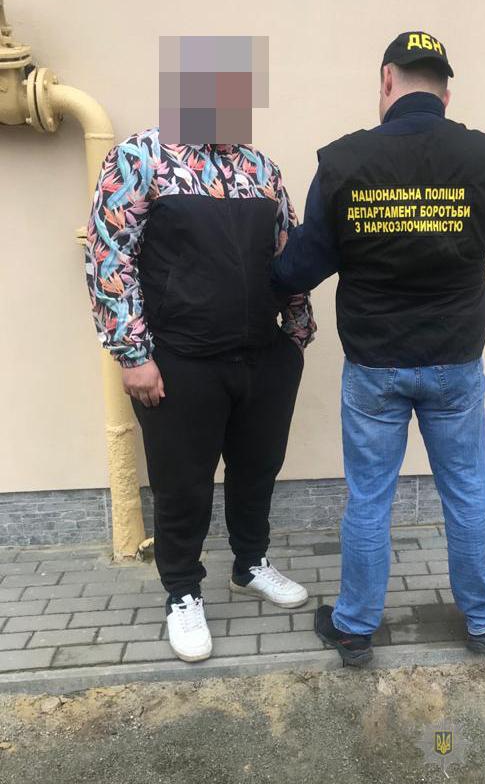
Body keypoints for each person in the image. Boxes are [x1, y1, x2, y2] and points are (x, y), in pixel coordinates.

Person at [273, 31, 485, 666]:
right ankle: (484, 616)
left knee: (370, 498)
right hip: (455, 361)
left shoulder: (344, 160)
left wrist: (264, 275)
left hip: (375, 365)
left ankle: (355, 626)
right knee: (465, 490)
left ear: (387, 80)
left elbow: (301, 266)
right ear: (446, 91)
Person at [86, 128, 316, 662]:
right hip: (179, 361)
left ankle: (250, 565)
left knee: (258, 468)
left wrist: (297, 331)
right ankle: (183, 591)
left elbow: (287, 252)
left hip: (263, 355)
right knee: (182, 484)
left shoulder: (262, 170)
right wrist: (132, 355)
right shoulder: (140, 159)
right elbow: (110, 257)